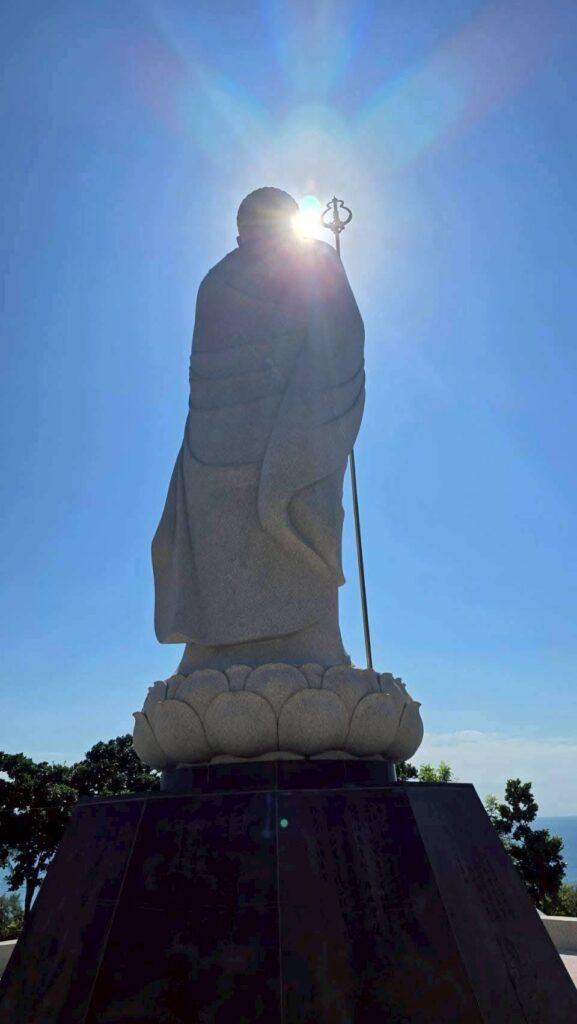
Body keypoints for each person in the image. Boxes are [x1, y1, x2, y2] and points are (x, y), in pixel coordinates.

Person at [152, 187, 365, 671]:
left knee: (288, 521)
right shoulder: (233, 279)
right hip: (241, 439)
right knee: (235, 534)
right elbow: (339, 349)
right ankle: (230, 650)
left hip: (264, 435)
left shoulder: (298, 266)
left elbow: (339, 342)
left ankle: (297, 645)